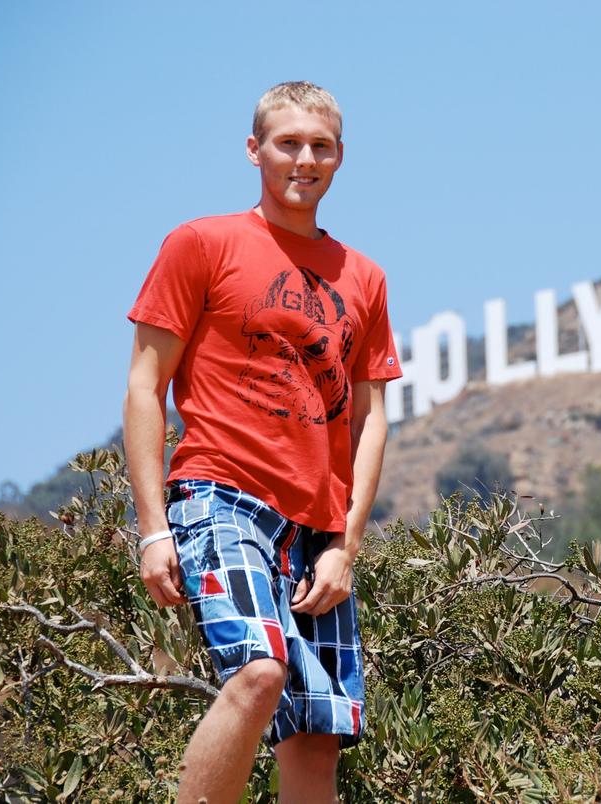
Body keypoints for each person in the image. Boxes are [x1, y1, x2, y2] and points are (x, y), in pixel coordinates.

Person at [123, 80, 401, 803]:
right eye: (288, 143)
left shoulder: (364, 278)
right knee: (259, 672)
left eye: (321, 146)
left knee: (315, 734)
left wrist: (345, 543)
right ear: (255, 150)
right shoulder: (202, 244)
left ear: (340, 157)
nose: (304, 159)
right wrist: (154, 531)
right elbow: (144, 388)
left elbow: (372, 420)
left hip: (316, 527)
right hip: (223, 494)